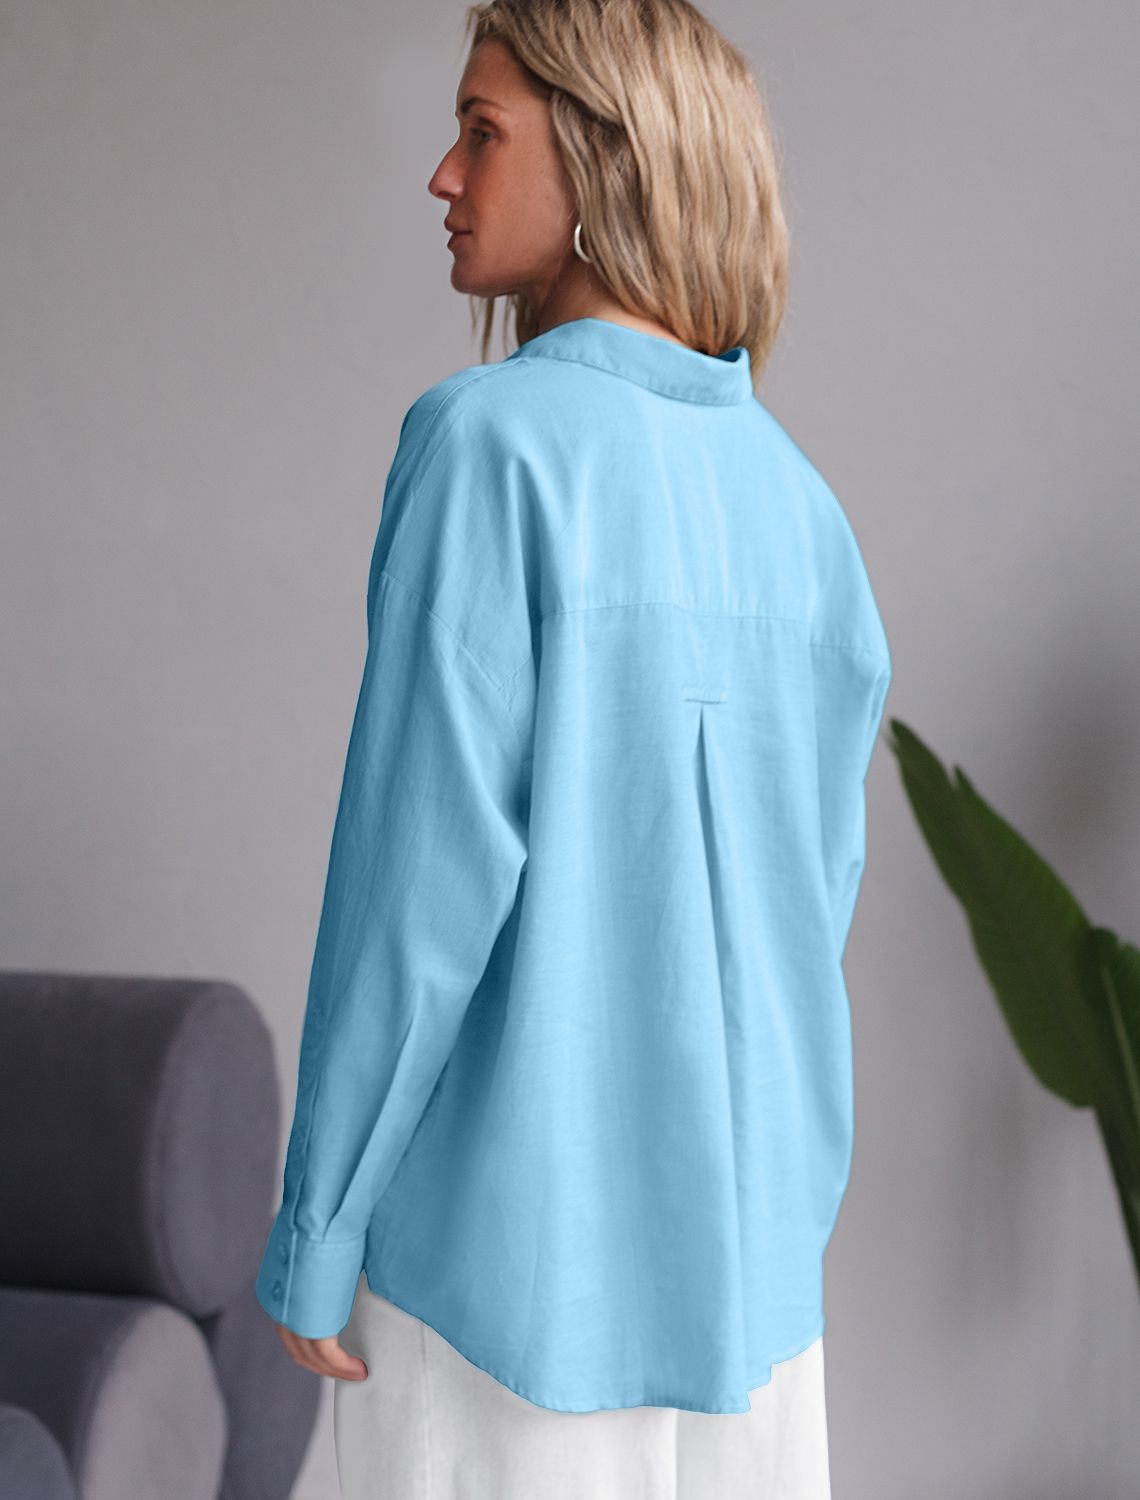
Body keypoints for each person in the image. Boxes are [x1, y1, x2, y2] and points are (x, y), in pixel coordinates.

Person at [255, 1, 892, 1496]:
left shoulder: (486, 446)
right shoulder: (804, 510)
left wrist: (318, 1230)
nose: (443, 175)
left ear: (608, 155)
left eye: (482, 132)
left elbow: (414, 892)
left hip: (501, 1288)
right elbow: (810, 912)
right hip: (756, 1295)